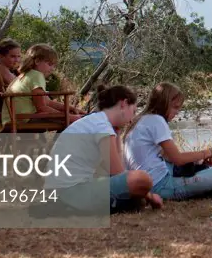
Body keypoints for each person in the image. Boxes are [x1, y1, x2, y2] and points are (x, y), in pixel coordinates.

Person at [46, 84, 163, 213]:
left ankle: (125, 202)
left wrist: (117, 134)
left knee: (135, 187)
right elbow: (117, 173)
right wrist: (150, 195)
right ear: (123, 103)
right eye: (133, 111)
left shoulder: (95, 121)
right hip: (69, 193)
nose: (131, 120)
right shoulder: (102, 126)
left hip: (61, 192)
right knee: (143, 179)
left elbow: (113, 171)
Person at [123, 83, 212, 201]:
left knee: (194, 168)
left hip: (143, 183)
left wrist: (196, 160)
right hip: (160, 186)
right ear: (163, 104)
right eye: (175, 107)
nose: (177, 112)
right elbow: (177, 159)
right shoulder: (157, 120)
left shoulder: (141, 119)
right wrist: (207, 153)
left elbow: (168, 156)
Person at [1, 43, 82, 127]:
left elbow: (48, 102)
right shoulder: (37, 75)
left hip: (13, 119)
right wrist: (70, 117)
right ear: (37, 61)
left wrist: (70, 108)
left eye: (54, 65)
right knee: (72, 122)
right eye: (49, 64)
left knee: (68, 118)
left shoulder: (25, 75)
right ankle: (59, 140)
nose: (52, 69)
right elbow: (42, 108)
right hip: (24, 119)